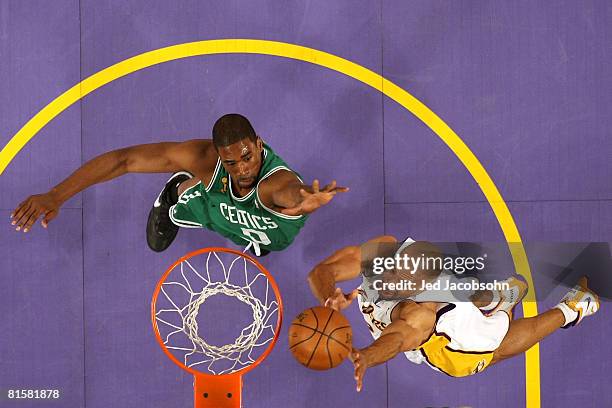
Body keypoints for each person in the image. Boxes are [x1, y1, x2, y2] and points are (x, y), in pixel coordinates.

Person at [10, 114, 348, 256]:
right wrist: (56, 195)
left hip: (266, 226)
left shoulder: (274, 182)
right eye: (232, 162)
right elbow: (124, 160)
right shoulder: (204, 158)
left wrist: (304, 198)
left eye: (248, 156)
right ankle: (177, 194)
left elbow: (288, 190)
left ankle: (249, 235)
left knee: (265, 245)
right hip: (219, 206)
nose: (244, 168)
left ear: (259, 144)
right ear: (218, 156)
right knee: (195, 217)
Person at [307, 235, 600, 391]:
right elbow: (321, 272)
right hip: (442, 321)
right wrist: (327, 294)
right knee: (486, 329)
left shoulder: (419, 306)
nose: (390, 273)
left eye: (400, 275)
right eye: (394, 269)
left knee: (486, 333)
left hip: (441, 323)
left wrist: (368, 355)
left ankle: (518, 303)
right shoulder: (384, 257)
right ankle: (508, 303)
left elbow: (395, 338)